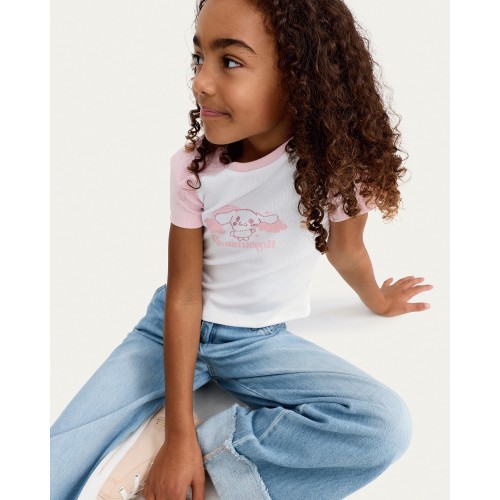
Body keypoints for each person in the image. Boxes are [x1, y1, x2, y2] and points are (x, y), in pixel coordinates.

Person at [50, 0, 433, 498]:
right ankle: (171, 451)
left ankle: (208, 461)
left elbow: (347, 251)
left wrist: (377, 300)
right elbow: (184, 295)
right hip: (169, 331)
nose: (201, 82)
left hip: (258, 343)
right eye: (199, 58)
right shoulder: (193, 169)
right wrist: (178, 435)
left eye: (229, 61)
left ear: (300, 75)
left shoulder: (337, 172)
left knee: (384, 425)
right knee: (50, 469)